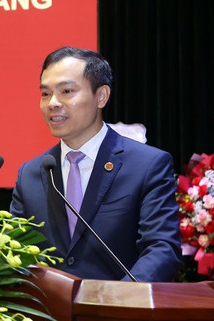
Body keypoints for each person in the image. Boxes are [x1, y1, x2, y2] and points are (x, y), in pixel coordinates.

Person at [10, 46, 181, 282]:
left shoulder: (147, 165)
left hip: (119, 302)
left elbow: (162, 249)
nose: (53, 103)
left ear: (101, 96)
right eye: (46, 94)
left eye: (66, 91)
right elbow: (15, 252)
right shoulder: (31, 174)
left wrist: (113, 298)